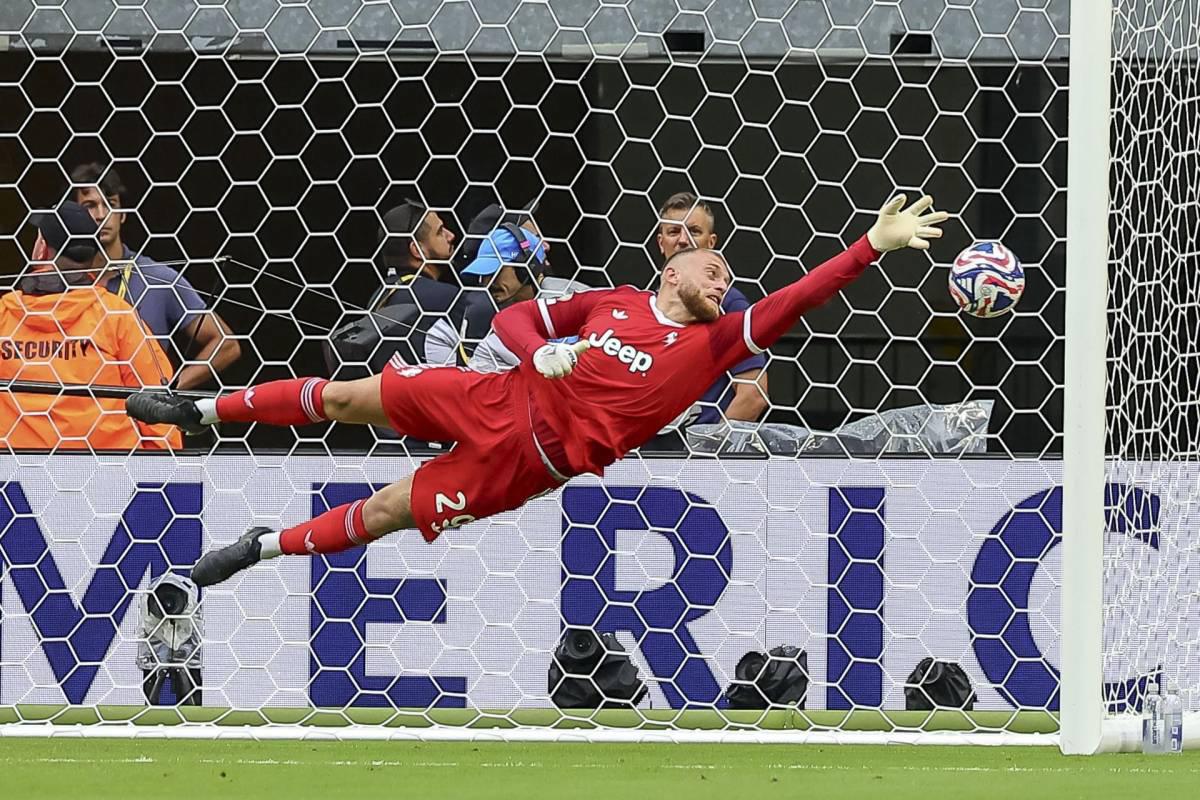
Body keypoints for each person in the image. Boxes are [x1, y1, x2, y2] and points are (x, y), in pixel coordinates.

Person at [125, 195, 947, 586]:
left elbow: (797, 298)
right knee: (347, 397)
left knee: (385, 512)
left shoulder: (715, 344)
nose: (720, 275)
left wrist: (870, 245)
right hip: (492, 396)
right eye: (709, 263)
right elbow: (517, 316)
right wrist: (542, 349)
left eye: (726, 270)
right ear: (671, 269)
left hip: (525, 464)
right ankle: (199, 408)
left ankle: (261, 547)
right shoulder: (613, 303)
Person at [0, 202, 180, 450]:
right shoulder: (116, 316)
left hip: (13, 469)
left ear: (41, 249)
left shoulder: (3, 315)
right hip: (109, 470)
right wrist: (162, 469)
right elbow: (159, 409)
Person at [68, 162, 241, 389]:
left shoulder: (157, 278)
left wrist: (169, 389)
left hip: (140, 409)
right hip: (83, 408)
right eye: (90, 206)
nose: (101, 215)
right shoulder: (63, 281)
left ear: (123, 214)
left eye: (110, 204)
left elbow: (226, 344)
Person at [656, 192, 769, 427]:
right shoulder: (648, 303)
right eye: (674, 231)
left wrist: (709, 447)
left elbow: (753, 395)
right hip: (645, 446)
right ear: (661, 242)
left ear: (711, 243)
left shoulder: (727, 303)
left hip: (696, 444)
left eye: (694, 231)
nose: (683, 240)